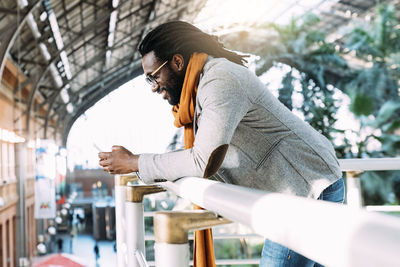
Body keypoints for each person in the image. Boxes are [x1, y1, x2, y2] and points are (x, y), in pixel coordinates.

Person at [99, 21, 345, 267]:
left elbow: (202, 159)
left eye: (154, 77)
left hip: (307, 186)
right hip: (298, 188)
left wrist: (135, 162)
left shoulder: (220, 80)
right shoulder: (203, 86)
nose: (153, 88)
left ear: (177, 62)